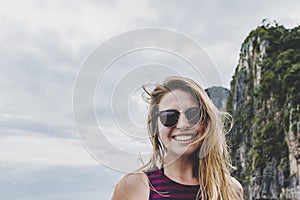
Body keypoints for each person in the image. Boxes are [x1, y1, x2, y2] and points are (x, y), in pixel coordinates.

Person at [112, 76, 243, 200]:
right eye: (169, 116)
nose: (182, 125)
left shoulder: (230, 189)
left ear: (206, 122)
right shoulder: (136, 187)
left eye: (193, 115)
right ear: (156, 126)